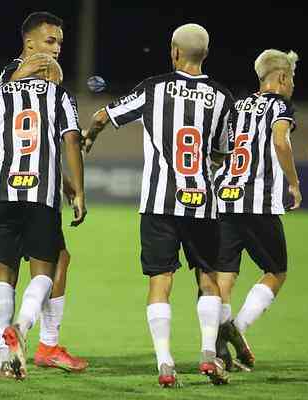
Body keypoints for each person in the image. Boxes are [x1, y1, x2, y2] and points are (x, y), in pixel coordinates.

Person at [83, 23, 233, 387]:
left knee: (160, 281)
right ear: (206, 55)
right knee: (209, 279)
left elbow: (104, 115)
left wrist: (90, 136)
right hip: (201, 202)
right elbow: (220, 152)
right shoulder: (222, 97)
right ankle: (209, 355)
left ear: (174, 52)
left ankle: (165, 364)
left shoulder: (154, 88)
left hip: (158, 203)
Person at [0, 11, 87, 374]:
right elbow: (56, 136)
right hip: (13, 186)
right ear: (29, 44)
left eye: (59, 42)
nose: (57, 50)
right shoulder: (23, 79)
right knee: (10, 262)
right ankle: (35, 343)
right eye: (50, 41)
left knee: (0, 265)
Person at [212, 49, 301, 371]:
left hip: (225, 196)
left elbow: (219, 150)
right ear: (280, 77)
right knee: (276, 271)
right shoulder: (280, 105)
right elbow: (280, 141)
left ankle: (218, 350)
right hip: (257, 201)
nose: (292, 85)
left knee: (225, 273)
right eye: (291, 79)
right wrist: (293, 182)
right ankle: (238, 327)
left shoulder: (237, 106)